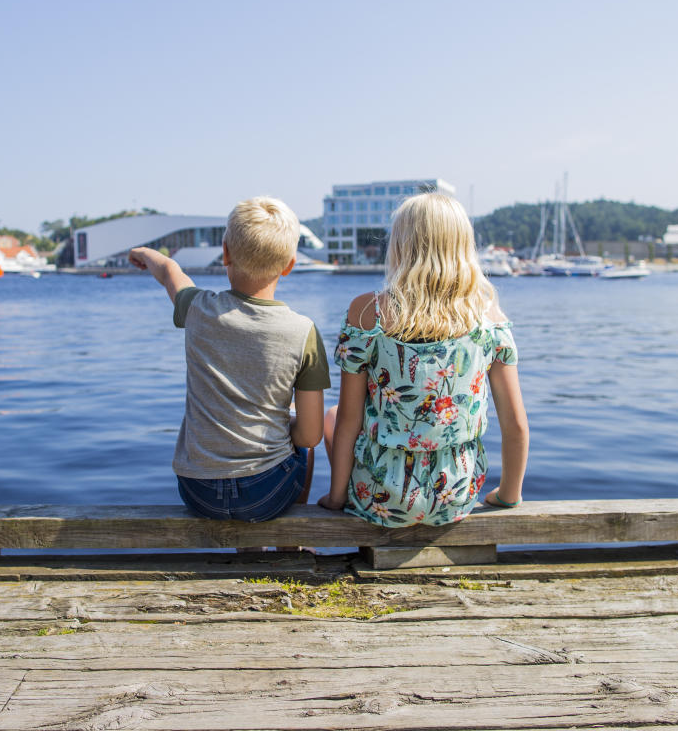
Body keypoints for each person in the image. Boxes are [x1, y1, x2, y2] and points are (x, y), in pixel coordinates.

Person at [317, 192, 528, 526]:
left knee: (331, 415)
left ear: (400, 245)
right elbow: (515, 424)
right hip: (456, 496)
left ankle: (353, 497)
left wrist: (336, 499)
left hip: (379, 497)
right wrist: (508, 495)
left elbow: (348, 420)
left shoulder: (368, 312)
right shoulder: (489, 316)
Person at [129, 197, 329, 522]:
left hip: (198, 492)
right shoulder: (302, 331)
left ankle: (247, 548)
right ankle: (288, 546)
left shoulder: (197, 309)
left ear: (225, 253)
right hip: (267, 493)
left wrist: (142, 253)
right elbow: (310, 436)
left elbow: (169, 272)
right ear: (290, 265)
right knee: (302, 431)